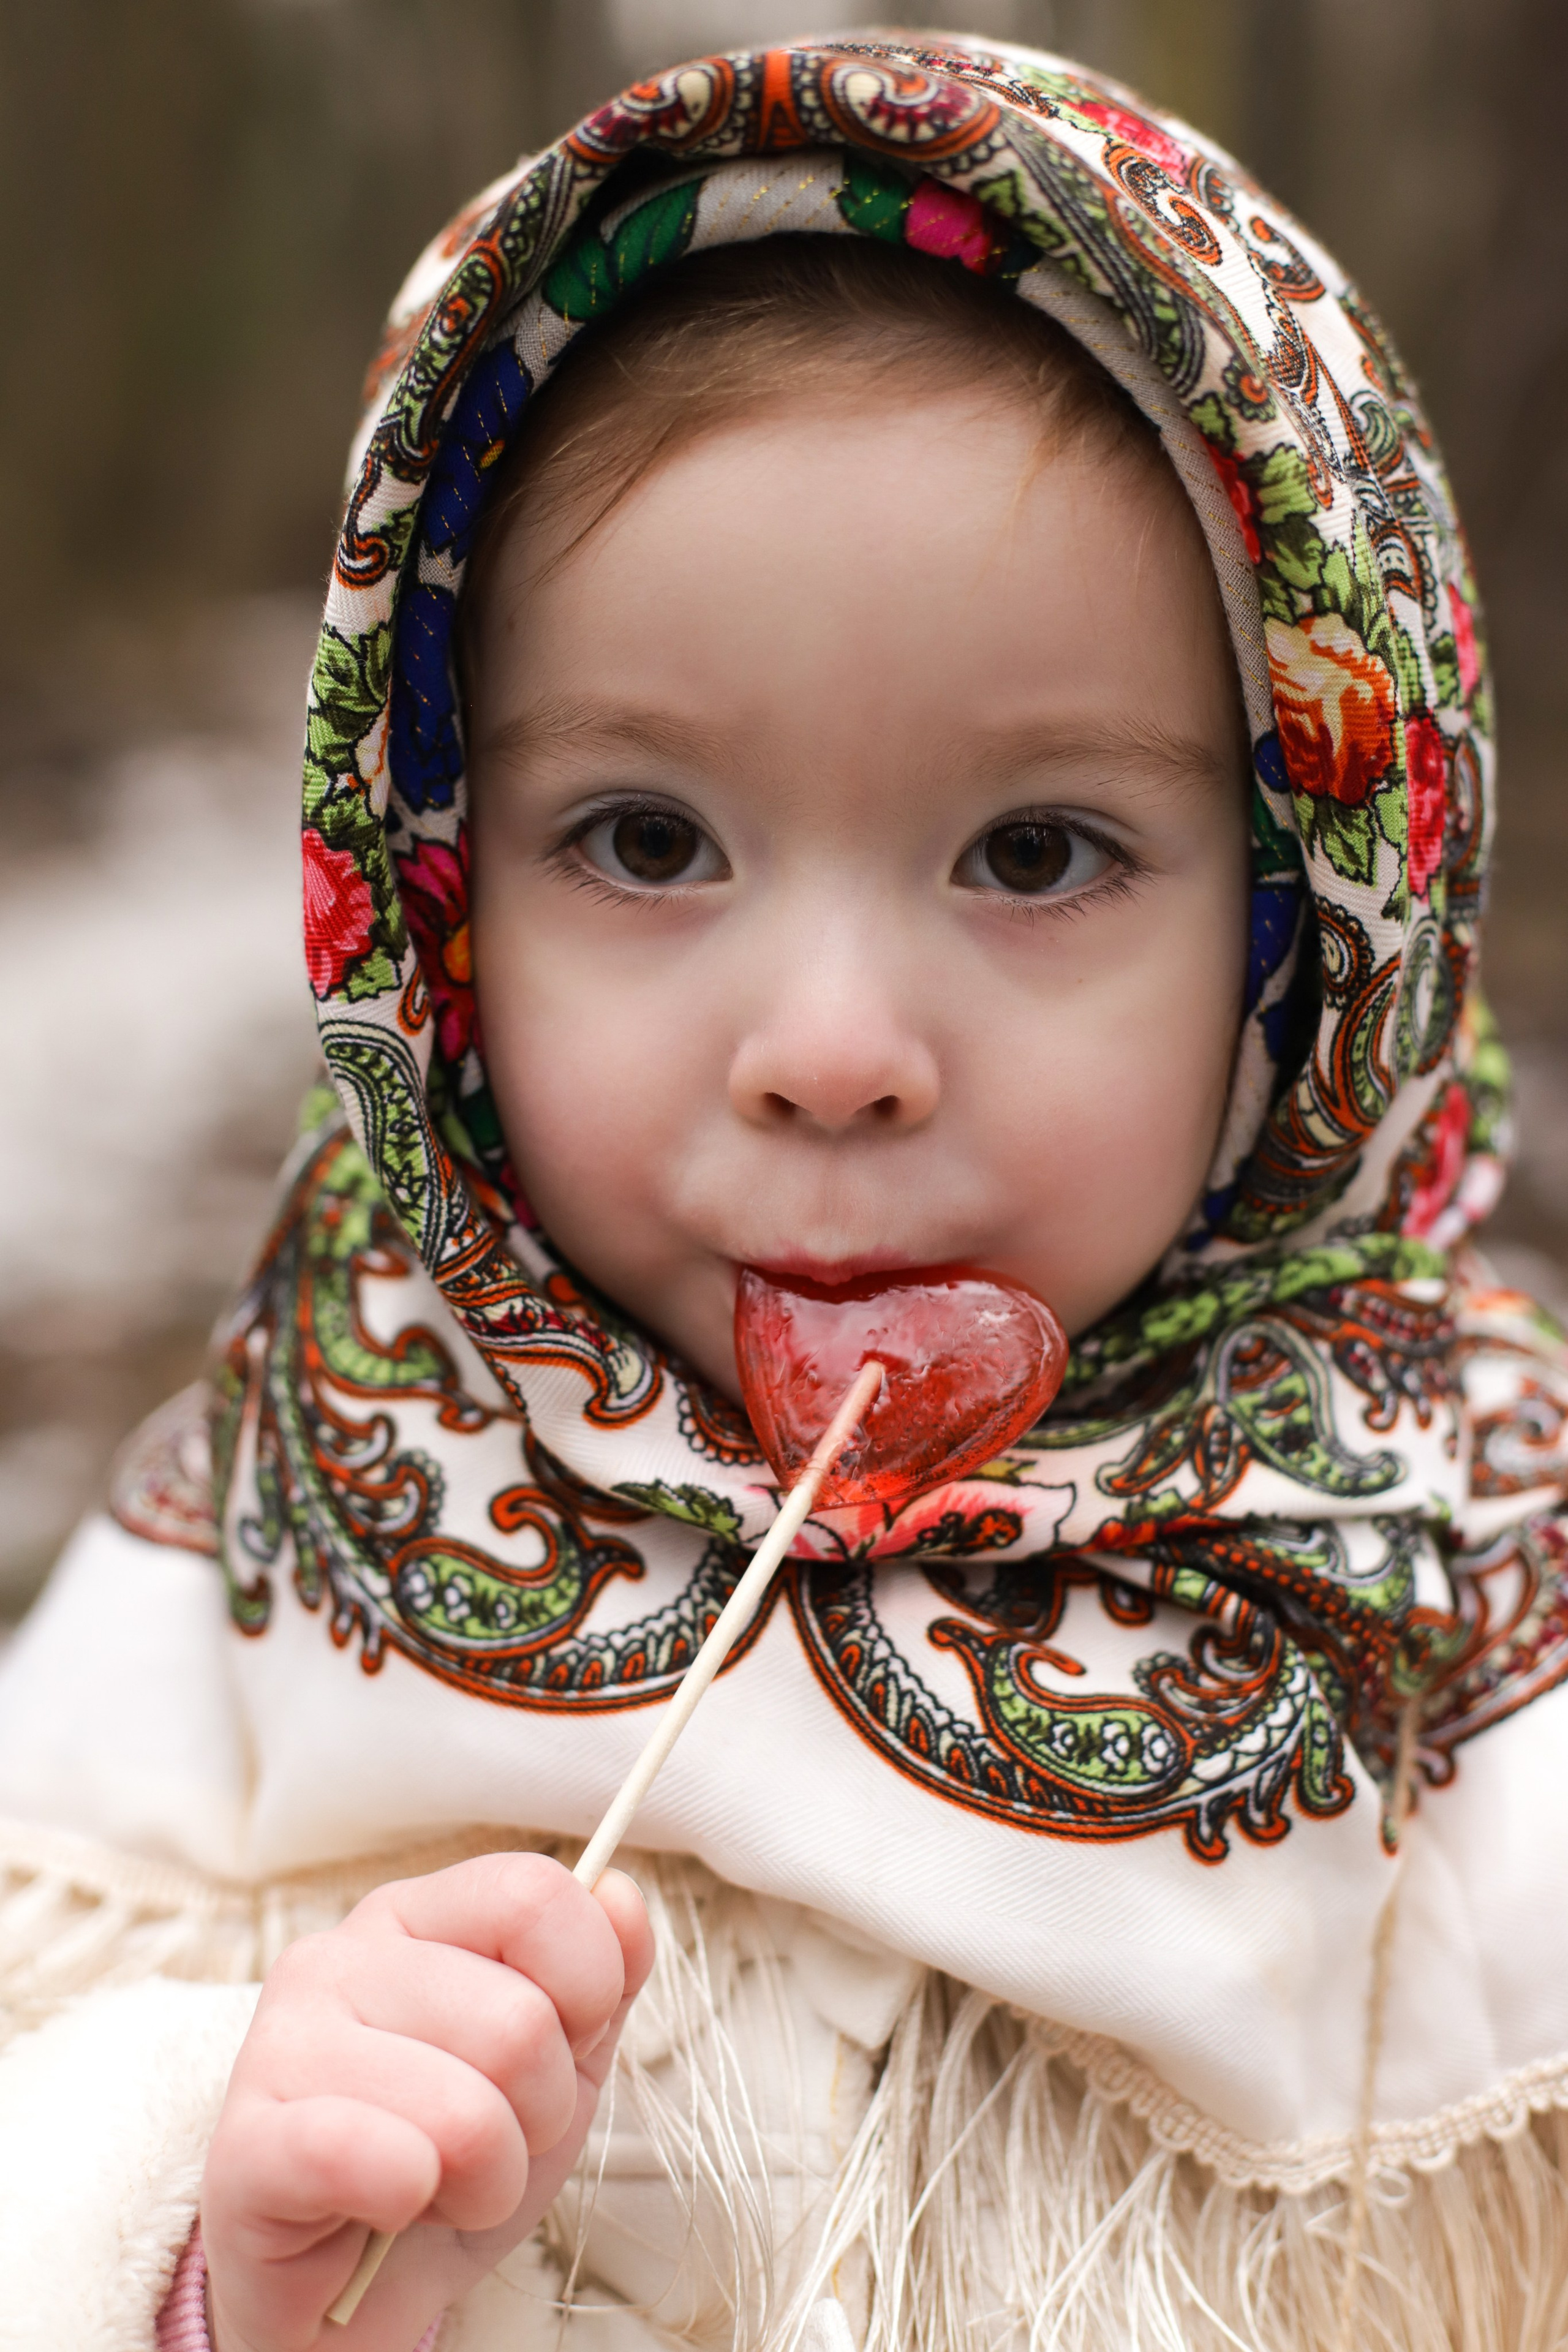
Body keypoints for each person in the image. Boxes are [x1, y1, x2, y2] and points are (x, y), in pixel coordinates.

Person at [0, 30, 1564, 2352]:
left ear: (1312, 928)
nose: (831, 1051)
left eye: (1038, 852)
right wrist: (208, 2242)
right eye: (646, 842)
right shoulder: (277, 1514)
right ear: (431, 900)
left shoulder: (1472, 1580)